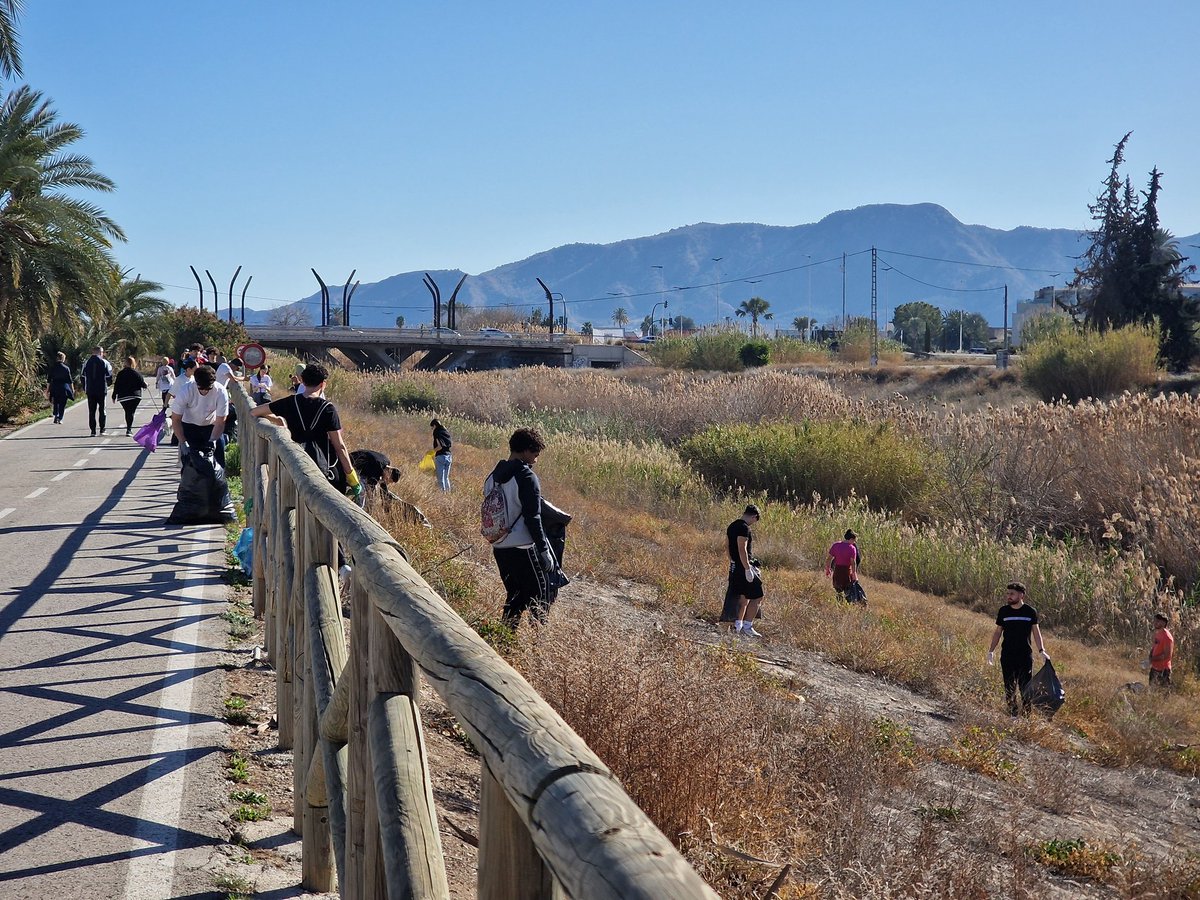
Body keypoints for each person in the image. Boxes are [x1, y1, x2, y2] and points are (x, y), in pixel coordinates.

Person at [251, 363, 361, 501]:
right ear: (323, 384)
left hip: (294, 463)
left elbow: (255, 411)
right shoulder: (327, 408)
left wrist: (277, 420)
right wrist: (351, 477)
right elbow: (339, 446)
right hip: (323, 467)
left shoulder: (290, 402)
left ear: (302, 380)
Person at [485, 427, 560, 627]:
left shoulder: (493, 475)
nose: (537, 457)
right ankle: (538, 642)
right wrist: (544, 550)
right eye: (535, 452)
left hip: (499, 544)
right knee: (539, 595)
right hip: (523, 547)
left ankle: (505, 639)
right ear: (525, 450)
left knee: (515, 595)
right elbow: (532, 517)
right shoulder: (527, 477)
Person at [987, 582, 1050, 717]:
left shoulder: (1030, 612)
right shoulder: (1003, 611)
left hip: (1024, 655)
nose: (1008, 596)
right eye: (1008, 593)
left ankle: (1026, 717)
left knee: (1025, 687)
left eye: (1012, 594)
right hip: (1007, 655)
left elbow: (1036, 632)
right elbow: (998, 632)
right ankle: (1013, 715)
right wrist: (991, 650)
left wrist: (1041, 650)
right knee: (1009, 687)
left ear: (1021, 595)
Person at [169, 364, 229, 468]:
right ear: (195, 382)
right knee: (190, 462)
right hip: (189, 426)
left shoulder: (220, 392)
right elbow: (176, 419)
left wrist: (213, 440)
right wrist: (183, 442)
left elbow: (220, 421)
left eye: (208, 388)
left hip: (212, 426)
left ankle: (217, 482)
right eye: (201, 388)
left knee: (218, 459)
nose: (204, 391)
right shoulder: (185, 390)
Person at [719, 504, 764, 636]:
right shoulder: (744, 528)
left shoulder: (732, 526)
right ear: (754, 517)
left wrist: (731, 560)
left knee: (742, 597)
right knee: (758, 596)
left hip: (734, 566)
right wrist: (747, 568)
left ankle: (738, 624)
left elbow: (727, 545)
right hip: (744, 567)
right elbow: (742, 549)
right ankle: (747, 626)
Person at [80, 345, 113, 436]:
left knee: (92, 411)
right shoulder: (105, 362)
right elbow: (109, 376)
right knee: (102, 410)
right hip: (101, 390)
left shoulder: (86, 363)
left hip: (90, 390)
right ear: (100, 352)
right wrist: (108, 385)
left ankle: (93, 431)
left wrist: (85, 387)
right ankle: (102, 429)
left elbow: (82, 377)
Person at [112, 356, 148, 436]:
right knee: (131, 412)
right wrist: (146, 385)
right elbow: (142, 384)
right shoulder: (136, 373)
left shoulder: (120, 373)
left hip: (123, 397)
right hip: (135, 396)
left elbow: (116, 385)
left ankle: (129, 428)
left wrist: (114, 395)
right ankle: (129, 429)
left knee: (127, 412)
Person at [825, 529, 861, 599]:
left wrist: (827, 569)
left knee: (838, 590)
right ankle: (846, 605)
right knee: (847, 591)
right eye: (854, 540)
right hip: (847, 571)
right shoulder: (852, 548)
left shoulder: (835, 545)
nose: (854, 542)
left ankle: (838, 604)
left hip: (837, 571)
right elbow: (853, 563)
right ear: (851, 539)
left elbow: (829, 559)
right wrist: (854, 574)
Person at [47, 351, 74, 424]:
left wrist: (47, 390)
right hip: (63, 387)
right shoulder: (66, 368)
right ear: (63, 359)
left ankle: (56, 415)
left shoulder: (52, 368)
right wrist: (72, 389)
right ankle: (60, 418)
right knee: (62, 403)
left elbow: (49, 380)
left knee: (56, 402)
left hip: (55, 387)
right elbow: (70, 380)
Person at [1149, 612, 1174, 689]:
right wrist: (1150, 655)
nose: (1155, 622)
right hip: (1155, 667)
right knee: (1152, 692)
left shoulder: (1167, 637)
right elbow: (1155, 646)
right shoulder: (1158, 633)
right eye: (1155, 620)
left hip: (1163, 670)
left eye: (1158, 621)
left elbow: (1167, 655)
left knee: (1162, 694)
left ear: (1163, 623)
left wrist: (1152, 659)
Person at [431, 418, 453, 492]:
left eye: (432, 427)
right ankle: (448, 494)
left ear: (434, 425)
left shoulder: (436, 432)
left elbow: (439, 446)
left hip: (441, 456)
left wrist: (432, 452)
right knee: (446, 478)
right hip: (449, 456)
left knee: (440, 479)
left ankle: (442, 495)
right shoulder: (446, 431)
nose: (432, 429)